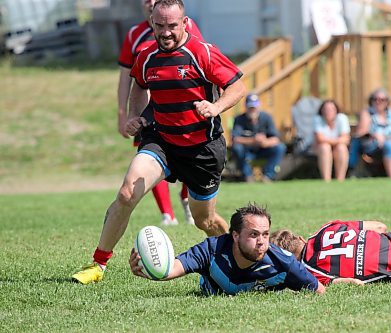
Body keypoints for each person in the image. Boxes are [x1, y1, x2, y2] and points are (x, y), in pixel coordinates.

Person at [72, 0, 246, 285]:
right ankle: (98, 265)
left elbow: (237, 86)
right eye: (160, 25)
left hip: (202, 149)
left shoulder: (202, 53)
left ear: (185, 22)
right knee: (127, 193)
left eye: (172, 26)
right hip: (162, 140)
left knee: (205, 220)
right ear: (151, 23)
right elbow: (139, 84)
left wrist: (215, 108)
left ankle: (237, 263)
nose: (166, 32)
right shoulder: (146, 55)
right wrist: (135, 116)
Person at [117, 0, 199, 226]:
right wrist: (123, 112)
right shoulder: (134, 34)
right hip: (147, 109)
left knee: (191, 155)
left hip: (182, 107)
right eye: (147, 0)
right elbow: (126, 76)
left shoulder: (185, 25)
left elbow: (200, 62)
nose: (151, 3)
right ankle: (167, 214)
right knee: (149, 156)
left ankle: (186, 198)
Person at [129, 203, 326, 295]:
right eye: (254, 234)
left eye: (265, 234)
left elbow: (318, 290)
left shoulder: (284, 263)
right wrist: (148, 268)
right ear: (235, 235)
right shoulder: (211, 250)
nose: (261, 242)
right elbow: (170, 269)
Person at [352, 88, 391, 180]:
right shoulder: (367, 113)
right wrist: (375, 135)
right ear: (371, 100)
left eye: (383, 99)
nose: (379, 102)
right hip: (374, 145)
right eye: (376, 99)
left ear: (387, 101)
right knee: (389, 145)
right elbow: (361, 132)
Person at [231, 94, 286, 183]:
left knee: (280, 147)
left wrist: (265, 142)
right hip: (247, 151)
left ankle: (268, 176)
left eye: (254, 107)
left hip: (263, 150)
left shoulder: (267, 117)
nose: (253, 110)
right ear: (246, 107)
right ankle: (247, 176)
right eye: (250, 107)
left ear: (259, 106)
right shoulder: (239, 119)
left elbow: (276, 138)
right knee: (237, 148)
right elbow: (235, 139)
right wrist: (253, 140)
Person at [313, 99, 350, 182]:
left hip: (337, 147)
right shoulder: (317, 120)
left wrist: (331, 142)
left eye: (331, 109)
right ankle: (326, 180)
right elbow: (319, 139)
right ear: (321, 111)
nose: (328, 112)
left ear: (336, 110)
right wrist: (337, 141)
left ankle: (340, 180)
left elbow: (346, 139)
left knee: (341, 148)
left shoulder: (342, 118)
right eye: (326, 109)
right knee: (325, 147)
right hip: (319, 148)